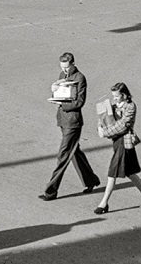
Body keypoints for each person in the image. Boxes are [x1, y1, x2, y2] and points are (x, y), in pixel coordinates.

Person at [40, 52, 101, 201]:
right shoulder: (62, 75)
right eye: (62, 67)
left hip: (73, 122)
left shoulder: (80, 78)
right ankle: (90, 180)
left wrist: (62, 104)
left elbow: (79, 102)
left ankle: (51, 191)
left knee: (64, 154)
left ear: (73, 64)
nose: (65, 70)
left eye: (67, 67)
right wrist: (54, 90)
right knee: (74, 151)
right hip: (63, 120)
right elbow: (60, 93)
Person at [94, 82, 141, 214]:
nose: (114, 99)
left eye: (116, 96)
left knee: (112, 172)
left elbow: (123, 126)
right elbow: (104, 116)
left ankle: (104, 203)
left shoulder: (131, 107)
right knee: (129, 172)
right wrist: (100, 126)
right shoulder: (114, 104)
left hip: (124, 141)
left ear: (125, 95)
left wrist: (105, 132)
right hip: (117, 141)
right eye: (113, 96)